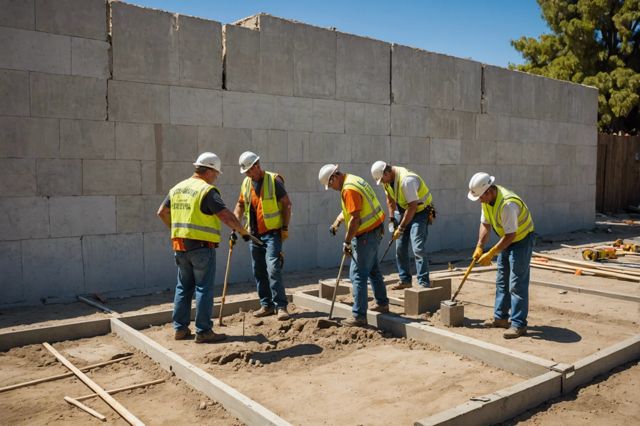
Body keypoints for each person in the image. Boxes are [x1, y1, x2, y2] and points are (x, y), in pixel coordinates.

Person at [157, 152, 255, 343]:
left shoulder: (177, 188)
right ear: (209, 171)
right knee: (203, 288)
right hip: (201, 248)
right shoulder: (207, 191)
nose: (216, 177)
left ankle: (180, 329)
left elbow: (161, 212)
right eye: (216, 173)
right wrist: (243, 231)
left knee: (183, 287)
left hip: (180, 246)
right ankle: (203, 331)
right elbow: (225, 215)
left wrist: (177, 229)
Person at [319, 164, 390, 327]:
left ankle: (359, 316)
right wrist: (338, 220)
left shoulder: (348, 189)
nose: (331, 188)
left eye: (330, 185)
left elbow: (356, 219)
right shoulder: (352, 179)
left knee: (357, 274)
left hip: (366, 234)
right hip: (375, 229)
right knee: (372, 269)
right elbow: (352, 210)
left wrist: (347, 241)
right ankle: (382, 303)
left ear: (334, 177)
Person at [467, 172, 534, 339]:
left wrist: (491, 253)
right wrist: (479, 246)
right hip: (507, 239)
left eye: (480, 197)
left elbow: (511, 235)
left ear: (489, 191)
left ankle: (518, 324)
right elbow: (485, 224)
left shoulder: (507, 204)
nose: (479, 200)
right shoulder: (487, 200)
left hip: (521, 240)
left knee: (516, 283)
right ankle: (501, 318)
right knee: (502, 279)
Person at [234, 151, 292, 321]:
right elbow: (240, 205)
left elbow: (287, 204)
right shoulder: (246, 183)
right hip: (253, 235)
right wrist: (235, 225)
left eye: (248, 171)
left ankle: (281, 306)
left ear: (256, 166)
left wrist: (285, 228)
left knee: (273, 268)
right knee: (258, 270)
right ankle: (266, 305)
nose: (246, 174)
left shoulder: (274, 180)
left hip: (272, 233)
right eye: (245, 172)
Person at [371, 161, 434, 290]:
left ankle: (424, 283)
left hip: (420, 211)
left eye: (383, 180)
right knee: (400, 247)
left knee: (418, 247)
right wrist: (392, 219)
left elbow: (413, 207)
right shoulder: (387, 181)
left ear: (387, 173)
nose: (382, 183)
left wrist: (401, 227)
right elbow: (390, 200)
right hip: (403, 210)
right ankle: (405, 279)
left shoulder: (407, 180)